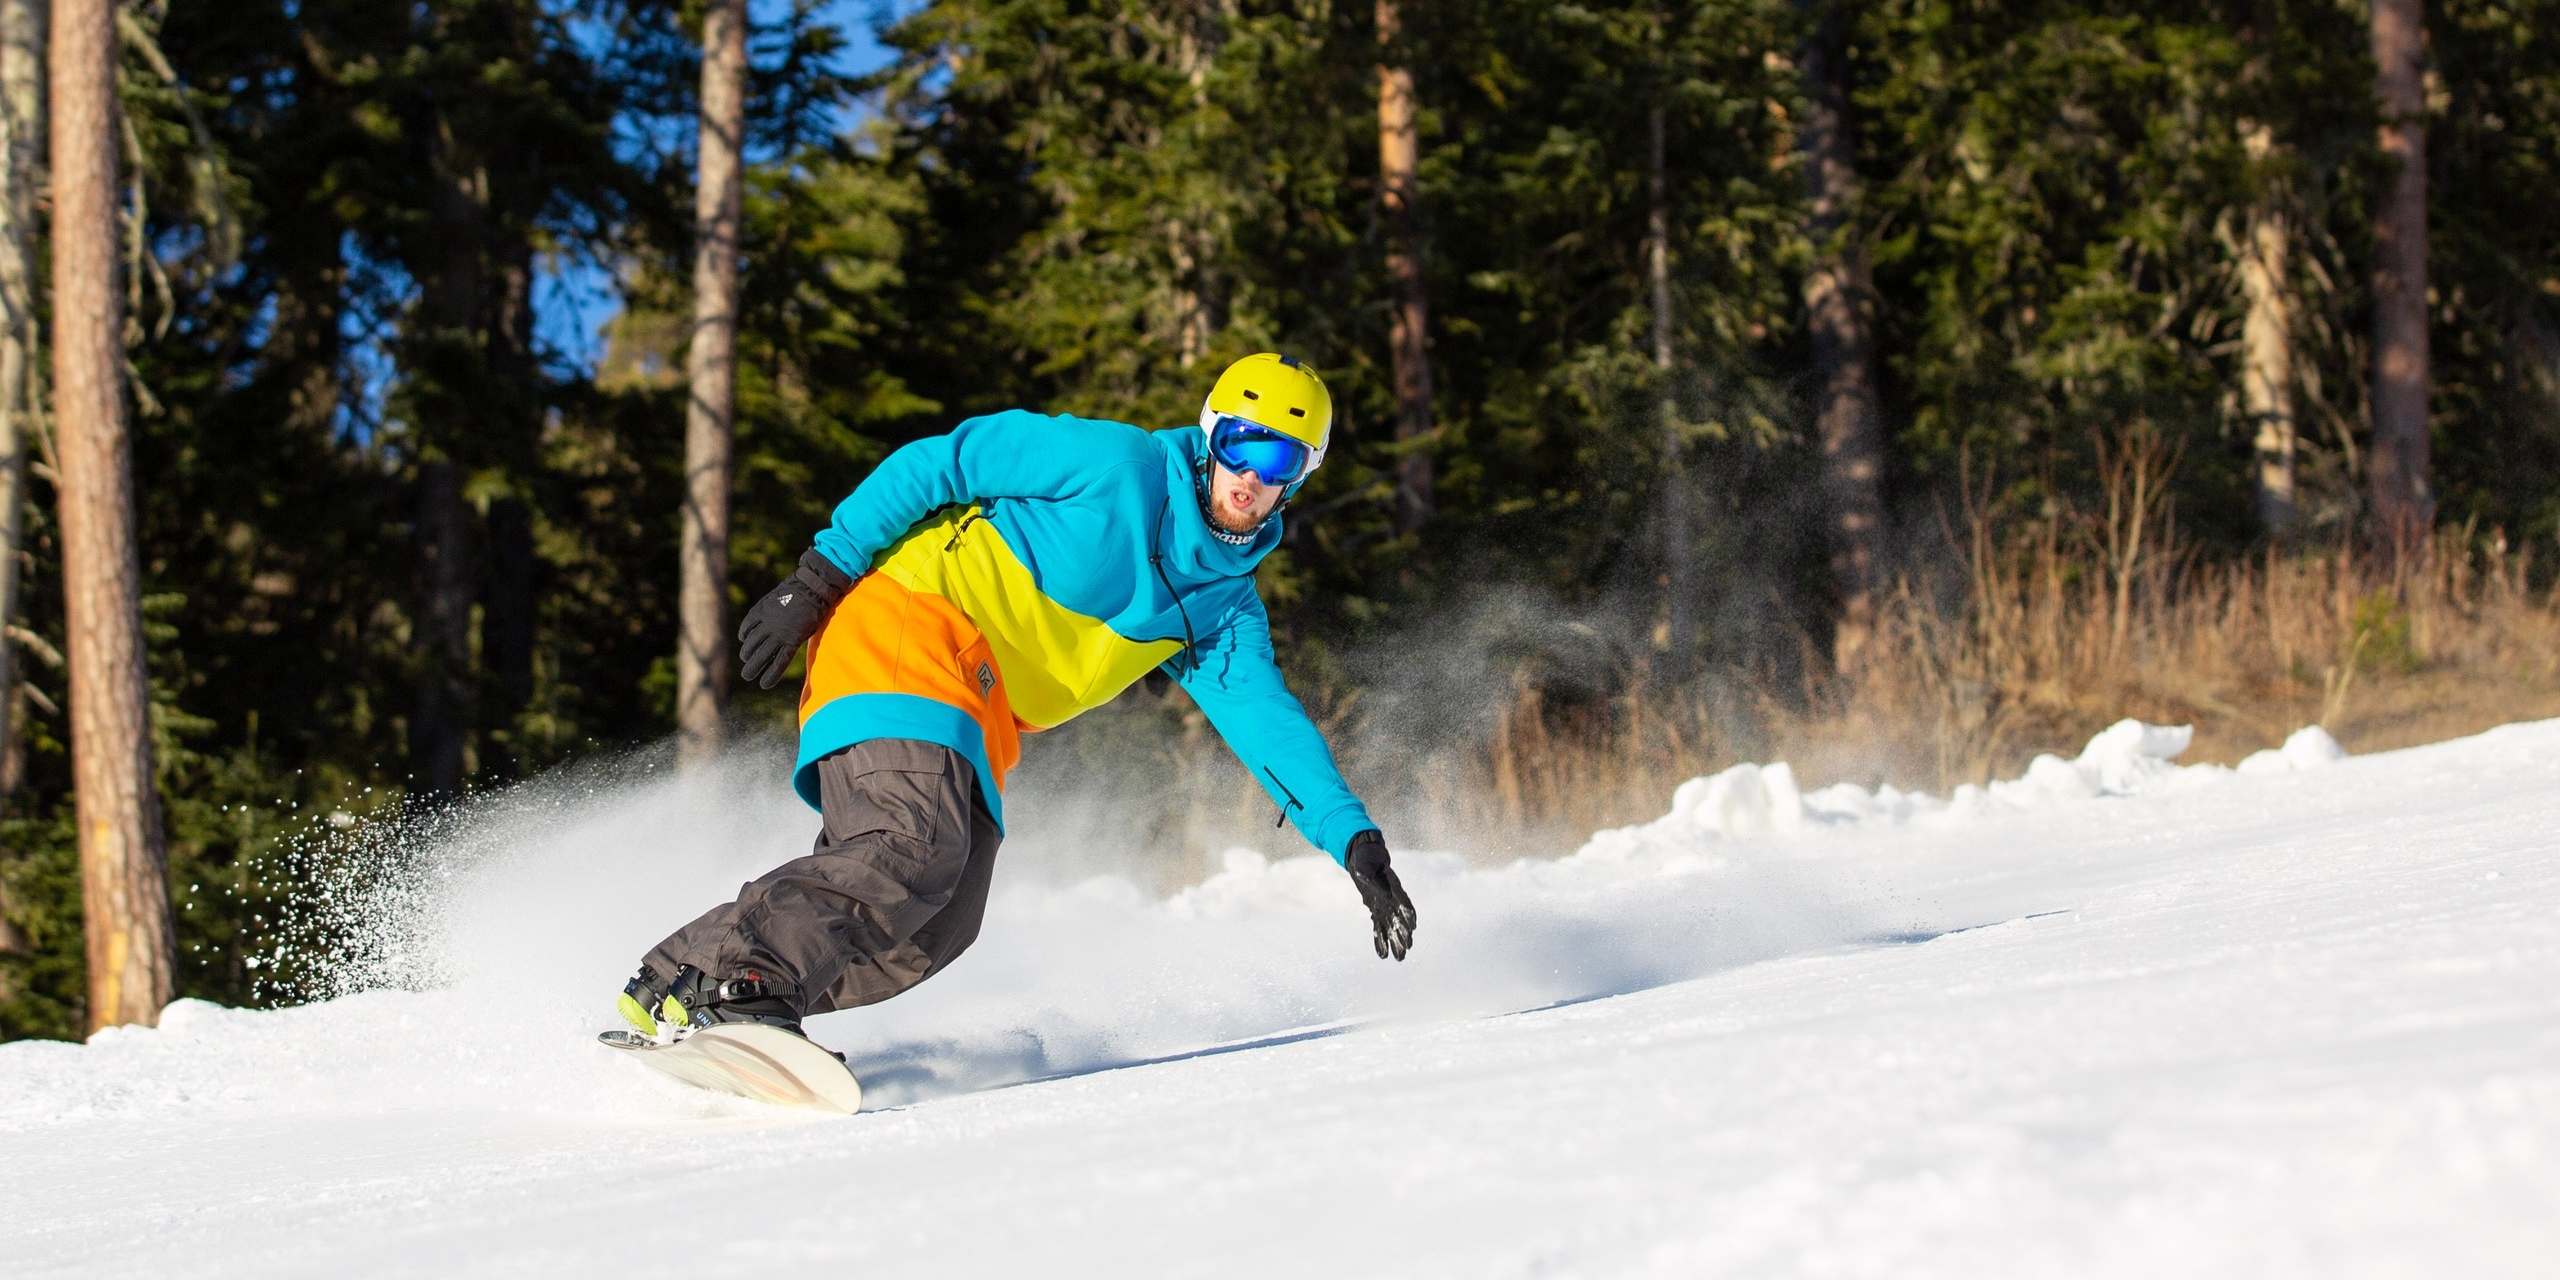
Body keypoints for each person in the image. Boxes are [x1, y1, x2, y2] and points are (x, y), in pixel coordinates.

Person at [616, 353, 1419, 1041]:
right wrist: (820, 575)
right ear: (1211, 435)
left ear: (1301, 478)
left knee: (939, 924)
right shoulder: (1113, 465)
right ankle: (752, 982)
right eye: (1242, 444)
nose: (1251, 476)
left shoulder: (1224, 606)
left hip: (975, 709)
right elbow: (943, 461)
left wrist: (1355, 841)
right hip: (908, 624)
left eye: (1279, 461)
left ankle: (690, 982)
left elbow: (1267, 724)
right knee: (911, 843)